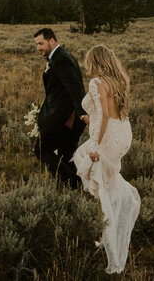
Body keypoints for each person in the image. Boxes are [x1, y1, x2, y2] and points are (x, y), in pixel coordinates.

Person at [72, 44, 140, 274]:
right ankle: (106, 233)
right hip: (121, 133)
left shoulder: (96, 82)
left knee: (101, 186)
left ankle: (110, 240)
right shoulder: (117, 81)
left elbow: (101, 117)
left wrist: (94, 146)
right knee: (106, 184)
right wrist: (90, 121)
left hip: (106, 137)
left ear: (94, 61)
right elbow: (110, 114)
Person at [33, 28, 87, 189]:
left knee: (41, 149)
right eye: (36, 45)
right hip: (67, 116)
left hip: (65, 118)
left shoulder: (61, 59)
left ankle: (73, 183)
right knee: (65, 154)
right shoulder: (60, 56)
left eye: (41, 43)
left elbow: (75, 89)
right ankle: (75, 187)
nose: (38, 48)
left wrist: (83, 114)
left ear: (52, 41)